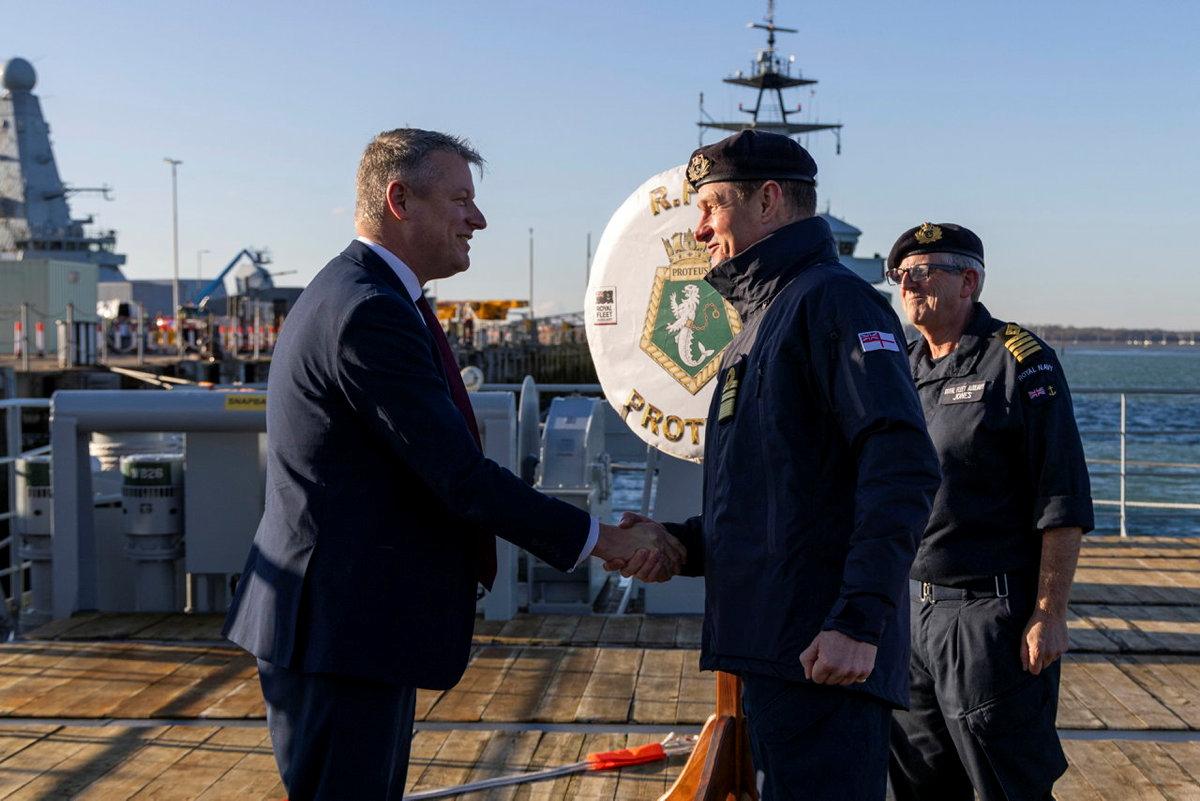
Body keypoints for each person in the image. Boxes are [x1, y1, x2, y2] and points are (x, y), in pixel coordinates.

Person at [222, 128, 683, 800]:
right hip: (340, 631)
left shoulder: (362, 292)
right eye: (461, 200)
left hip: (347, 626)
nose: (478, 219)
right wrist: (604, 538)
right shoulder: (369, 311)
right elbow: (458, 476)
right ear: (400, 199)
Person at [611, 130, 941, 799]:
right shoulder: (762, 323)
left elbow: (902, 465)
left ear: (767, 201)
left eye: (712, 206)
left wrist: (858, 620)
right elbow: (780, 502)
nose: (700, 229)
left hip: (824, 659)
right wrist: (682, 542)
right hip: (776, 653)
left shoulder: (834, 302)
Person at [884, 222, 1093, 801]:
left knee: (1004, 784)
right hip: (910, 614)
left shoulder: (1019, 362)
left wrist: (1049, 612)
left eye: (923, 272)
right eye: (900, 275)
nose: (908, 285)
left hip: (987, 619)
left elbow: (1061, 497)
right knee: (911, 785)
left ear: (968, 282)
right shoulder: (902, 367)